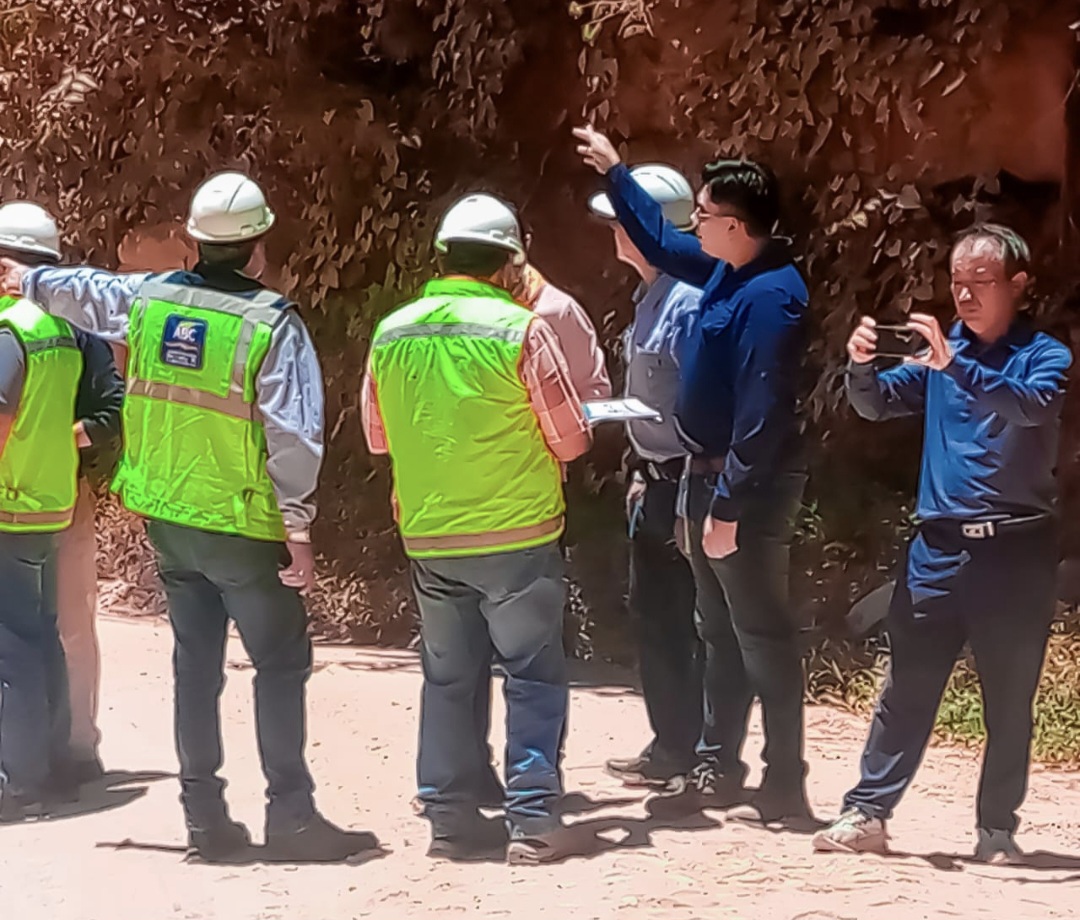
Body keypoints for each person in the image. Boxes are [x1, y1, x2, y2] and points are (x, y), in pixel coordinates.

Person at [2, 173, 374, 861]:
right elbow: (293, 435)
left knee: (195, 669)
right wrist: (299, 529)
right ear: (258, 246)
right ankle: (290, 815)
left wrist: (26, 281)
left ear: (192, 243)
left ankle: (205, 820)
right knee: (280, 664)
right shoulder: (271, 323)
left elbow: (86, 290)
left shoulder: (150, 302)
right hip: (245, 524)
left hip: (171, 523)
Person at [575, 125, 812, 826]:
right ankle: (719, 763)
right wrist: (618, 172)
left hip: (743, 485)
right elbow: (657, 242)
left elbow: (763, 413)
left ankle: (784, 781)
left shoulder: (772, 296)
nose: (694, 225)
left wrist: (729, 506)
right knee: (716, 629)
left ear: (734, 225)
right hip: (702, 477)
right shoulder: (724, 268)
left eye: (703, 215)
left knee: (759, 633)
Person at [813, 224, 1071, 863]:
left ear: (1018, 284)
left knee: (1008, 697)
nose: (964, 296)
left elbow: (1029, 408)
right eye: (956, 282)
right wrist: (861, 365)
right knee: (908, 685)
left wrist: (955, 365)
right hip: (938, 549)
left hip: (1015, 549)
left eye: (980, 282)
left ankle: (996, 829)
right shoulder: (938, 356)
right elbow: (875, 405)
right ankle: (868, 812)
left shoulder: (1045, 355)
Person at [363, 192, 592, 864]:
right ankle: (531, 820)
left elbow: (378, 438)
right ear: (508, 264)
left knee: (448, 677)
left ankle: (450, 819)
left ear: (443, 257)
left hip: (432, 537)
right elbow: (572, 440)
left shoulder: (392, 332)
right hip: (517, 535)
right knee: (532, 674)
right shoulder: (522, 330)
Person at [0, 202, 121, 821]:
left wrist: (56, 440)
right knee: (48, 632)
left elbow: (107, 411)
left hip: (33, 498)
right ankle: (51, 758)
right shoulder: (64, 326)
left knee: (35, 635)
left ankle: (46, 765)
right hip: (49, 497)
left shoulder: (32, 329)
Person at [586, 165, 704, 787]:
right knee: (656, 619)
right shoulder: (653, 296)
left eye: (623, 221)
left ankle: (703, 755)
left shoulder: (688, 299)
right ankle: (671, 747)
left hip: (688, 482)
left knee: (694, 622)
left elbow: (703, 402)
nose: (613, 232)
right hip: (654, 480)